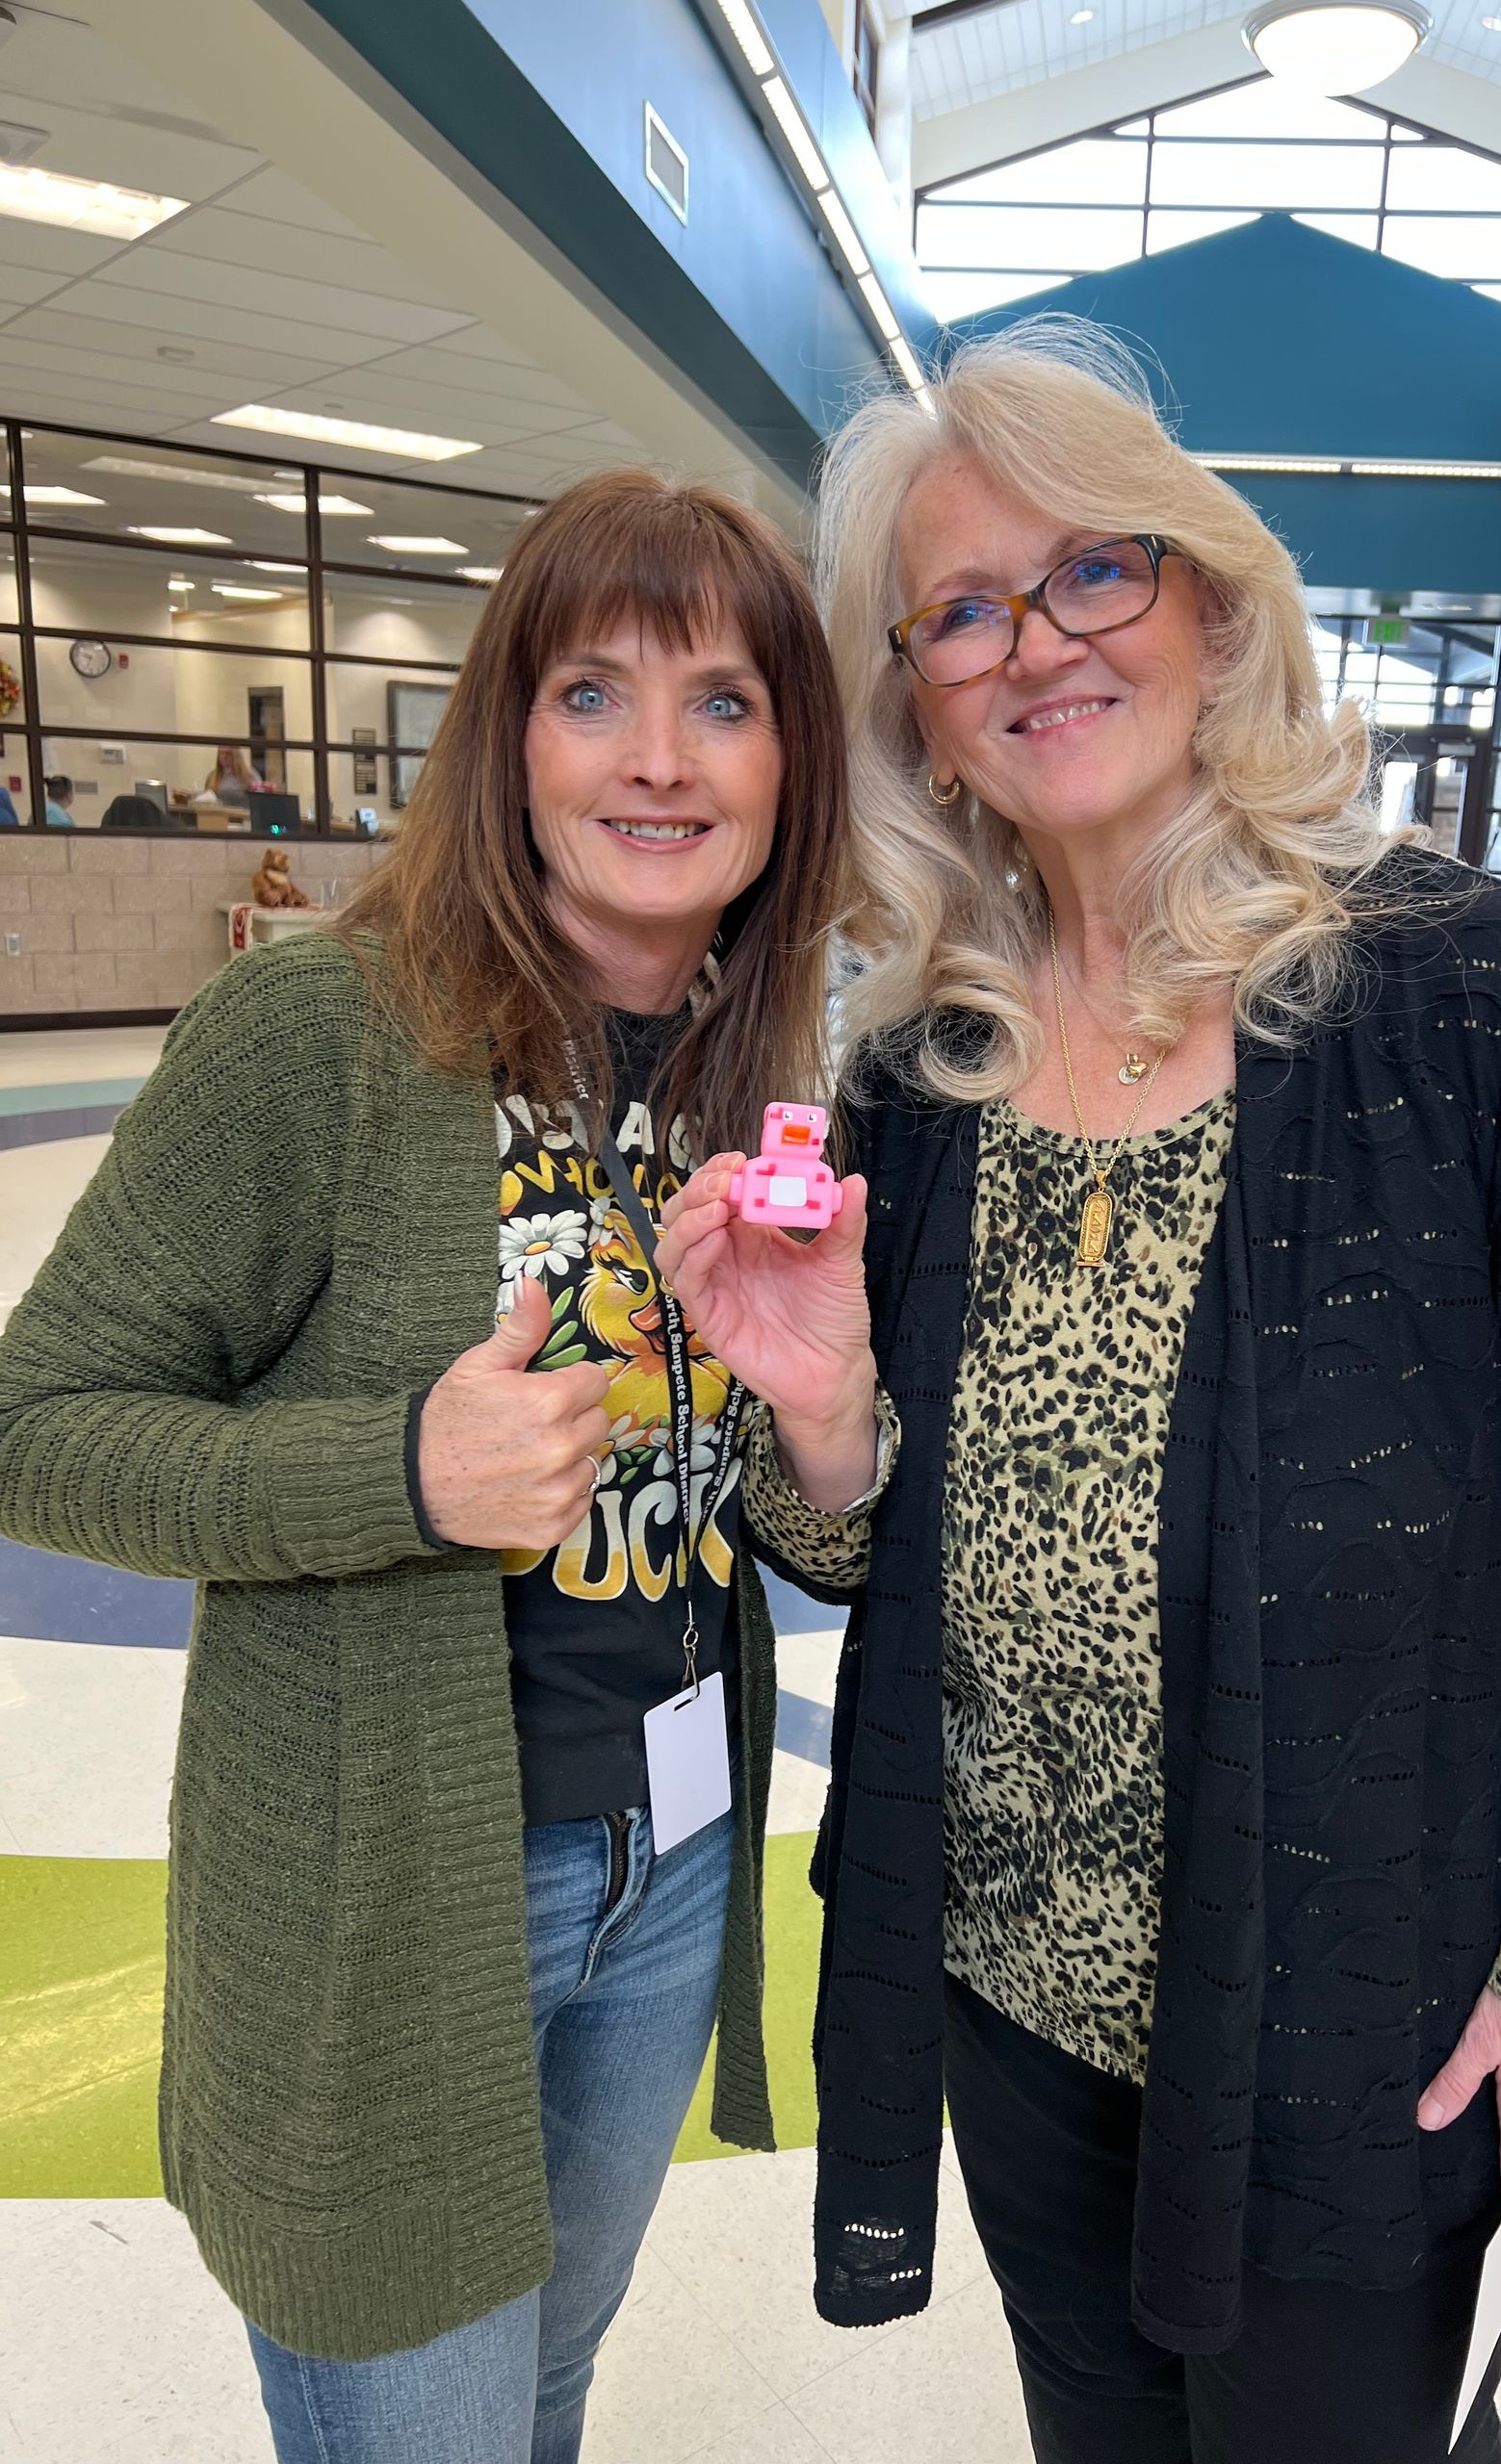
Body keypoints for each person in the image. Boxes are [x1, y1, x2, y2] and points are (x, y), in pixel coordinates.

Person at [658, 321, 1501, 2464]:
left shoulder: (1451, 988)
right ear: (919, 709)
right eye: (960, 609)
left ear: (1213, 602)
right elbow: (853, 1545)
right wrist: (812, 1408)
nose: (1032, 643)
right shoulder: (919, 1062)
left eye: (1092, 573)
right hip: (1012, 1978)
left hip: (1363, 1995)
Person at [0, 468, 874, 2463]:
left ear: (791, 761)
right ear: (507, 730)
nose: (660, 760)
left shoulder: (761, 1069)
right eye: (593, 692)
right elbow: (32, 1426)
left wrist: (827, 1415)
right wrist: (400, 1466)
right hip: (394, 1892)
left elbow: (789, 1522)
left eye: (726, 701)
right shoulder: (319, 1029)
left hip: (670, 1871)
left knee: (543, 2392)